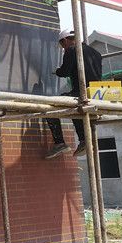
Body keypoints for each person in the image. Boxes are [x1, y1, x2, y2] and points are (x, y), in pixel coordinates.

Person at [45, 28, 103, 159]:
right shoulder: (96, 53)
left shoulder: (71, 50)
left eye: (62, 45)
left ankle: (59, 143)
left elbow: (65, 71)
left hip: (81, 93)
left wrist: (57, 71)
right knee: (75, 109)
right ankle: (83, 141)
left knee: (48, 107)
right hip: (95, 94)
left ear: (65, 40)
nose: (63, 48)